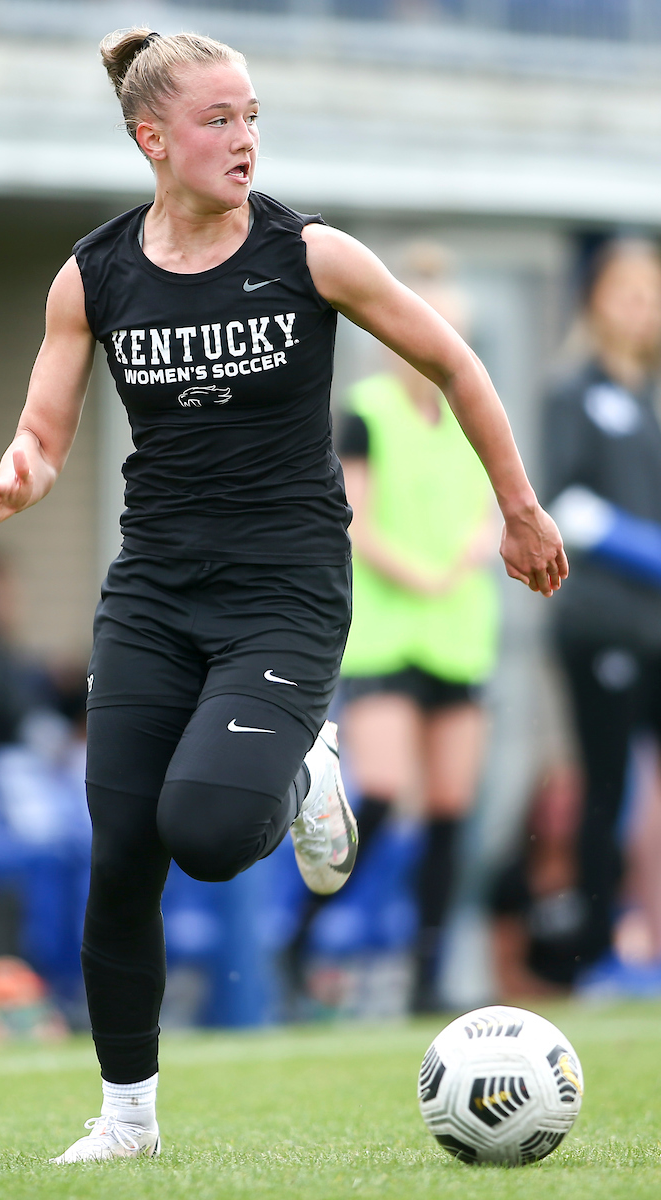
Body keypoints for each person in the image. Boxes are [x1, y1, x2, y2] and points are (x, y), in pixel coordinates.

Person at [0, 28, 566, 1164]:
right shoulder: (91, 274)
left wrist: (518, 507)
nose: (243, 139)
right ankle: (127, 1119)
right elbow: (45, 433)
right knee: (122, 850)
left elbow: (454, 362)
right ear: (152, 139)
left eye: (251, 117)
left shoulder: (312, 254)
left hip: (282, 593)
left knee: (201, 831)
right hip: (150, 590)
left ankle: (300, 767)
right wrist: (21, 475)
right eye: (216, 121)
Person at [285, 245, 500, 1014]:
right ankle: (301, 940)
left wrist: (473, 552)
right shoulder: (367, 414)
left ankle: (428, 975)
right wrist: (423, 572)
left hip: (458, 633)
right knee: (378, 792)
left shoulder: (468, 413)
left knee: (448, 809)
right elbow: (359, 522)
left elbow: (485, 510)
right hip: (389, 631)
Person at [542, 238, 661, 979]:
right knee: (607, 782)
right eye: (627, 289)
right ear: (594, 298)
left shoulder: (650, 402)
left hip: (657, 627)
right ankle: (593, 952)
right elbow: (568, 506)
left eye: (651, 291)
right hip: (601, 621)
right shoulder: (572, 392)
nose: (640, 305)